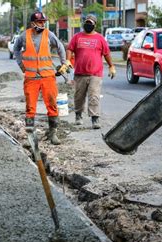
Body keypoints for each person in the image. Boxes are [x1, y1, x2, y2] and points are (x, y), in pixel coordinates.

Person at [13, 11, 70, 145]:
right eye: (40, 22)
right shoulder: (24, 36)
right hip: (31, 77)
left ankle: (53, 133)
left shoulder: (48, 34)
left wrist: (64, 63)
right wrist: (22, 65)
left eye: (44, 22)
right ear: (33, 23)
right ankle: (30, 136)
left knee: (52, 105)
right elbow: (16, 49)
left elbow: (61, 47)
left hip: (48, 77)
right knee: (30, 107)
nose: (42, 24)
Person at [66, 14, 116, 129]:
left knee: (94, 96)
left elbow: (106, 53)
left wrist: (111, 66)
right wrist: (68, 60)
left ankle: (95, 118)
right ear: (84, 23)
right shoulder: (77, 37)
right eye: (87, 23)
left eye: (90, 23)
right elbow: (70, 49)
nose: (88, 25)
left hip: (95, 74)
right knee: (79, 96)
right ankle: (78, 116)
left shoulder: (100, 38)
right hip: (79, 73)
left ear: (95, 25)